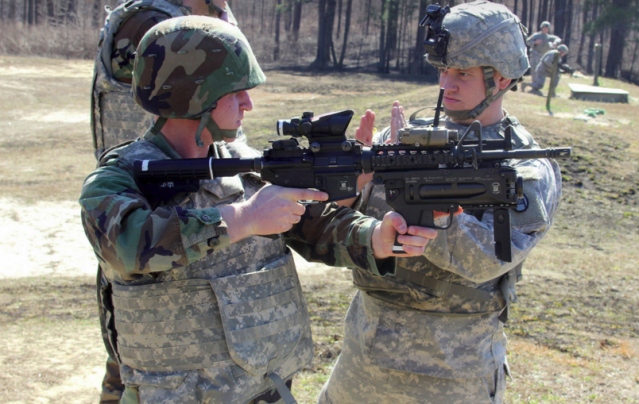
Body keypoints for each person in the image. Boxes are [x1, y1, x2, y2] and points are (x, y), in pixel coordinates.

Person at [80, 16, 438, 404]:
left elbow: (315, 224)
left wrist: (377, 237)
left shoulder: (250, 167)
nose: (248, 104)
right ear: (193, 97)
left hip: (265, 390)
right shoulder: (119, 178)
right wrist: (244, 218)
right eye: (235, 93)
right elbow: (128, 245)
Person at [319, 2, 563, 403]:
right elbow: (343, 229)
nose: (445, 85)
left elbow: (490, 258)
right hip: (364, 358)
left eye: (462, 74)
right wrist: (351, 184)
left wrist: (425, 208)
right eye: (442, 71)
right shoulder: (399, 142)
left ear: (501, 78)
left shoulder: (526, 166)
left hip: (452, 370)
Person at [90, 2, 239, 403]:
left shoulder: (200, 17)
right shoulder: (157, 25)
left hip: (189, 182)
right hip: (147, 191)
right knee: (142, 348)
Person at [91, 0, 238, 159]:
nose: (225, 3)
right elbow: (208, 87)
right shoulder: (157, 24)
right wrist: (228, 40)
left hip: (160, 160)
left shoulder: (174, 21)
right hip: (145, 165)